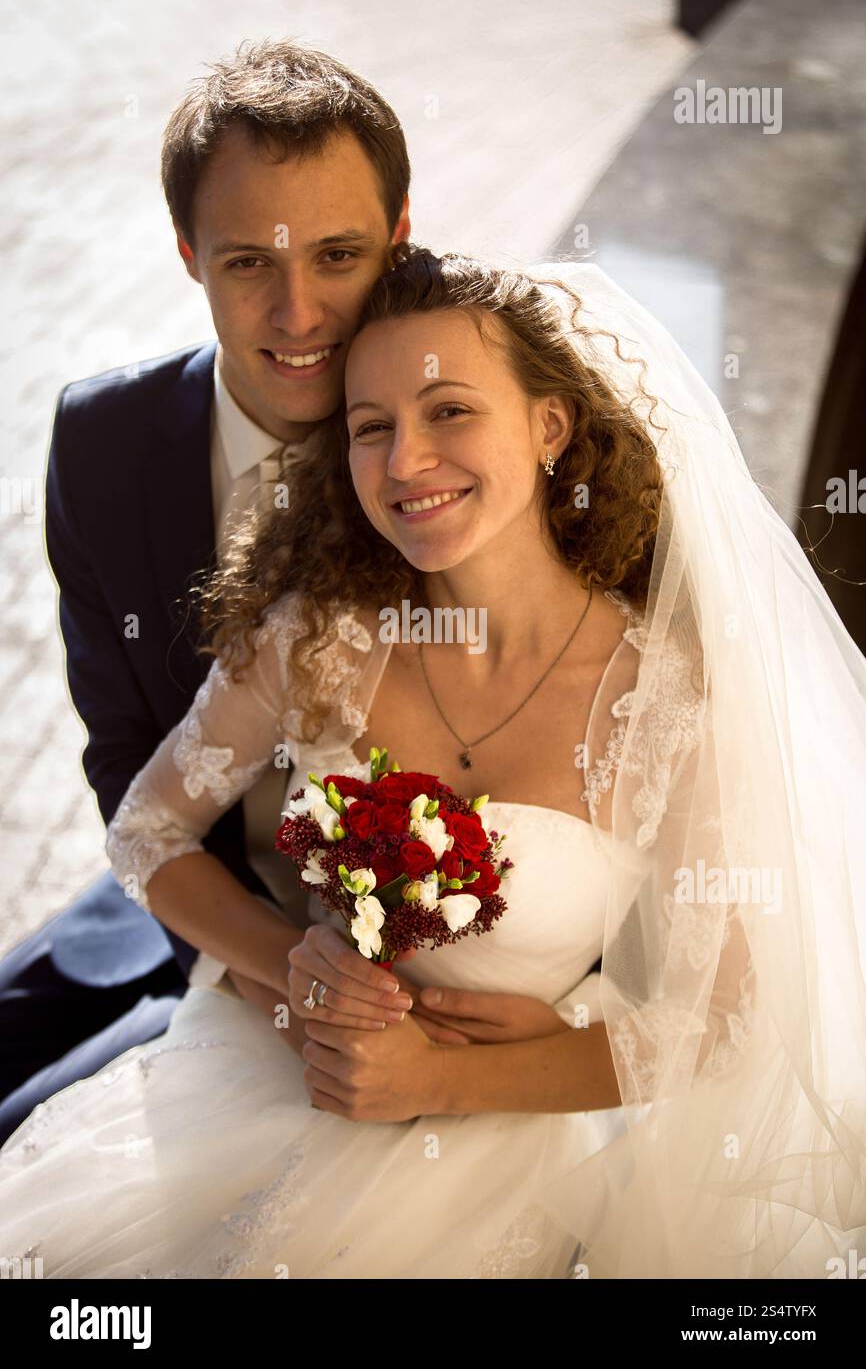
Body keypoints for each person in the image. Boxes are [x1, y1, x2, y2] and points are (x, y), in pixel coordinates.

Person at [2, 244, 863, 1279]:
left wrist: (440, 1079)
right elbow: (147, 830)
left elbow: (721, 1018)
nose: (405, 460)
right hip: (270, 1074)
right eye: (371, 428)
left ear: (548, 425)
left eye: (448, 410)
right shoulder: (321, 639)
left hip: (527, 1126)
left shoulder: (661, 699)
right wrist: (295, 975)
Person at [0, 37, 431, 1143]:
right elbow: (120, 750)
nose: (299, 314)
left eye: (338, 255)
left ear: (399, 235)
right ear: (188, 252)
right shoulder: (102, 442)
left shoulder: (463, 454)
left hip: (406, 986)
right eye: (249, 262)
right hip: (178, 910)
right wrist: (267, 974)